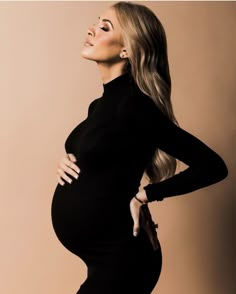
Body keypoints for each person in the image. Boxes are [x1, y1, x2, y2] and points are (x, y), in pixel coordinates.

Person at [51, 2, 228, 294]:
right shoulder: (100, 106)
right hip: (103, 258)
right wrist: (67, 162)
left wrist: (145, 196)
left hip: (122, 260)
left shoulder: (134, 105)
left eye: (105, 27)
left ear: (127, 50)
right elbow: (103, 159)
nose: (91, 29)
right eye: (97, 22)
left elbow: (212, 166)